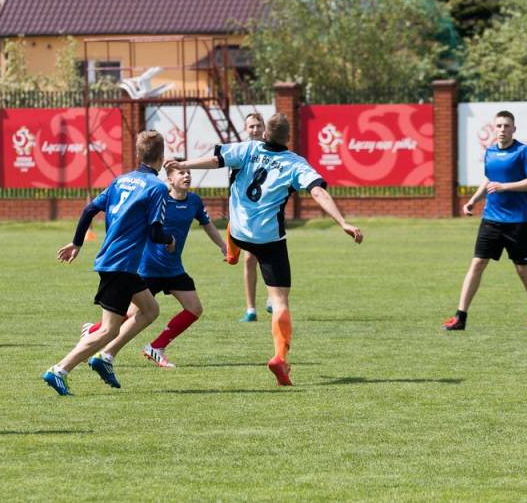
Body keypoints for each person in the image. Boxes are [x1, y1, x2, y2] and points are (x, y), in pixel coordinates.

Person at [165, 113, 363, 386]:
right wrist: (342, 222)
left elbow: (215, 160)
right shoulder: (295, 163)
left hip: (239, 230)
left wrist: (183, 164)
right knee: (280, 301)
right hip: (269, 240)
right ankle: (280, 357)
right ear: (288, 137)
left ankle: (231, 251)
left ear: (265, 134)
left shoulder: (249, 148)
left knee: (236, 220)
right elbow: (317, 192)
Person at [42, 130, 175, 396]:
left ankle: (105, 358)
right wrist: (169, 240)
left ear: (138, 154)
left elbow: (89, 209)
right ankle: (59, 370)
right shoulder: (157, 187)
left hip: (121, 264)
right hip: (120, 264)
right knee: (108, 330)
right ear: (161, 157)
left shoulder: (121, 180)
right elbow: (155, 231)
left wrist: (77, 243)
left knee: (150, 310)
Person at [80, 165, 227, 381]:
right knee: (129, 315)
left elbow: (208, 225)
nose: (187, 175)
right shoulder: (158, 198)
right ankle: (93, 333)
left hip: (173, 268)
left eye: (188, 173)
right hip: (147, 268)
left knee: (194, 308)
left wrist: (223, 246)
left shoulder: (194, 201)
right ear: (169, 180)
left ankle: (156, 347)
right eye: (181, 173)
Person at [442, 110, 527, 331]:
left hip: (520, 222)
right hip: (491, 219)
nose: (502, 130)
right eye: (499, 126)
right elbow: (489, 180)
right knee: (477, 263)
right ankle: (460, 317)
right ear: (494, 128)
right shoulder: (490, 152)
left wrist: (505, 186)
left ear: (514, 129)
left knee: (523, 270)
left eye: (506, 126)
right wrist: (473, 200)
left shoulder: (524, 152)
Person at [236, 113, 272, 322]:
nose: (255, 130)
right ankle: (251, 309)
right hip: (247, 215)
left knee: (269, 256)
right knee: (249, 259)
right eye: (251, 126)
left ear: (264, 128)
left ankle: (272, 297)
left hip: (268, 213)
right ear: (245, 129)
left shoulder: (272, 150)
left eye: (258, 125)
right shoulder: (241, 152)